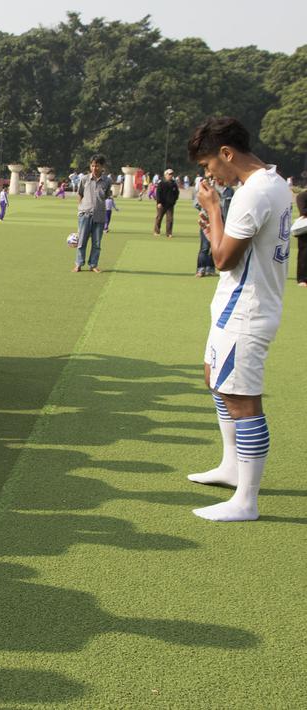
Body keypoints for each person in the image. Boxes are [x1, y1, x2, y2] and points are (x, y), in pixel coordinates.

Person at [185, 116, 293, 522]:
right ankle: (232, 467)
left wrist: (213, 211)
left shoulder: (252, 194)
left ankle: (246, 500)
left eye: (210, 165)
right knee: (216, 379)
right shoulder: (274, 182)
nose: (210, 174)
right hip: (240, 303)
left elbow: (222, 259)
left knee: (243, 399)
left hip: (245, 310)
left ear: (227, 154)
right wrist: (217, 226)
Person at [73, 154, 112, 273]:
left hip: (99, 215)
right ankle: (78, 264)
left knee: (96, 242)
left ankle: (93, 264)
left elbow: (106, 196)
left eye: (97, 166)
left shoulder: (107, 180)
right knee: (81, 241)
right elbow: (80, 194)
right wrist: (80, 207)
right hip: (85, 214)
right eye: (92, 165)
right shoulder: (84, 179)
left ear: (102, 167)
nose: (94, 168)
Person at [194, 176, 233, 277]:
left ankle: (210, 268)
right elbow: (197, 203)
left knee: (216, 245)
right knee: (205, 247)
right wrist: (205, 210)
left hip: (224, 221)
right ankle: (200, 269)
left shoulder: (230, 191)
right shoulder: (210, 189)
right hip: (209, 220)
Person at [154, 168, 179, 238]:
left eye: (172, 174)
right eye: (169, 174)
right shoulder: (161, 183)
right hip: (162, 204)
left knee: (170, 219)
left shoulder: (174, 184)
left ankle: (169, 233)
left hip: (170, 205)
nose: (171, 175)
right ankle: (157, 231)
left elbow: (177, 193)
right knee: (159, 218)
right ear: (165, 175)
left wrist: (174, 201)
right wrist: (158, 202)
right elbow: (158, 193)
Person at [297, 190, 307, 286]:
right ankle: (302, 279)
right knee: (304, 255)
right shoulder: (302, 196)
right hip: (305, 231)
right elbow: (303, 210)